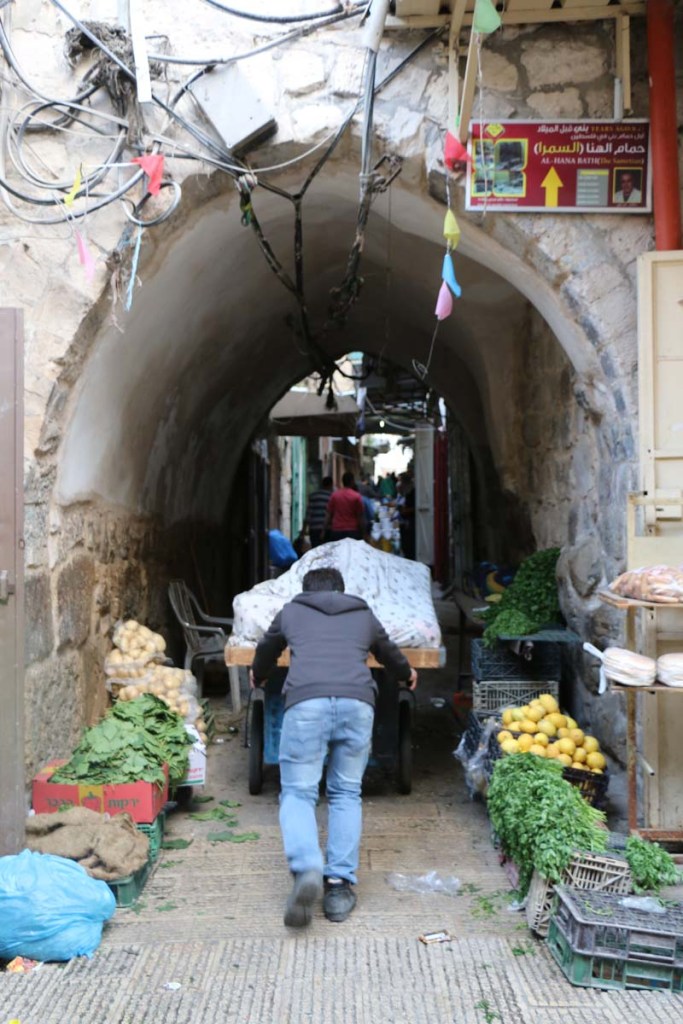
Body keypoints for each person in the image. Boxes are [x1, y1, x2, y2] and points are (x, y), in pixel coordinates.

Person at [250, 567, 418, 927]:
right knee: (345, 793)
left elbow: (267, 648)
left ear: (306, 591)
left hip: (306, 705)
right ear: (342, 591)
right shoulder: (362, 613)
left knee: (297, 791)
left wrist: (259, 674)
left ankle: (307, 865)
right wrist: (407, 676)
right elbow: (389, 652)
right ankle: (338, 886)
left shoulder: (292, 611)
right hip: (358, 705)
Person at [324, 471, 365, 541]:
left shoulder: (335, 495)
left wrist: (323, 530)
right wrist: (363, 533)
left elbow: (329, 514)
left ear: (342, 482)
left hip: (337, 530)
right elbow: (360, 517)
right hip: (352, 531)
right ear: (352, 481)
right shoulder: (356, 496)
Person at [303, 476, 333, 548]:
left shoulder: (313, 496)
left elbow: (308, 514)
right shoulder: (331, 497)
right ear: (330, 485)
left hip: (314, 528)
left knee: (315, 551)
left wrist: (303, 530)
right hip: (327, 529)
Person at [397, 472, 416, 560]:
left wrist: (404, 511)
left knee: (409, 546)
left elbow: (414, 508)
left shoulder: (412, 492)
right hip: (405, 522)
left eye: (401, 481)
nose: (399, 483)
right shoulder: (407, 491)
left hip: (410, 522)